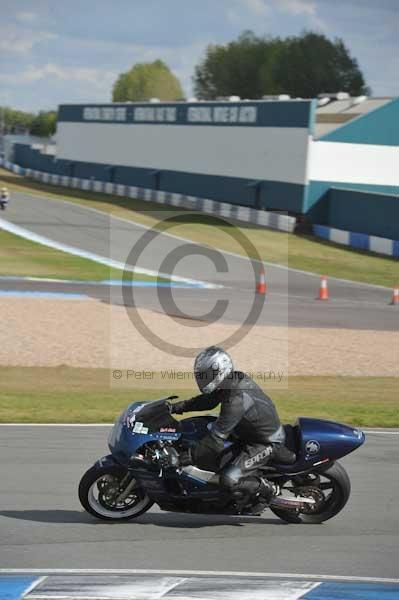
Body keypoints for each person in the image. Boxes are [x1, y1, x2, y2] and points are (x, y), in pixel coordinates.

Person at [169, 346, 295, 514]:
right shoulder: (231, 382)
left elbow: (216, 440)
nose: (202, 379)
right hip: (247, 434)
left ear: (219, 372)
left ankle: (268, 490)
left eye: (205, 375)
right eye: (201, 375)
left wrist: (188, 457)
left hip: (266, 443)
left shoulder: (235, 400)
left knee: (229, 480)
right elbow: (209, 401)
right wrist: (175, 407)